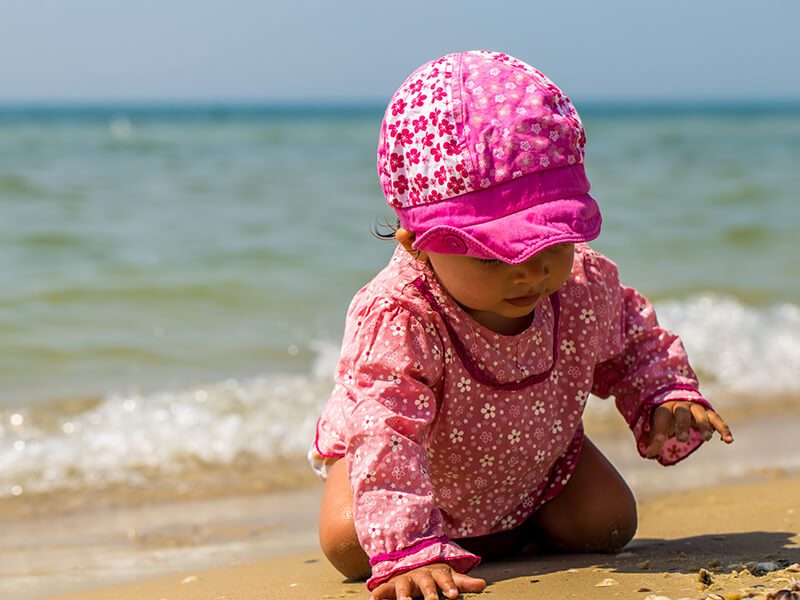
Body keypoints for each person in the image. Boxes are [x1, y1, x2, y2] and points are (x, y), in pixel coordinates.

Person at [308, 50, 734, 600]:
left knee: (609, 524)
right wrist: (406, 547)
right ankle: (434, 534)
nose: (529, 271)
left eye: (549, 242)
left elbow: (632, 338)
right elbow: (385, 428)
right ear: (416, 242)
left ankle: (511, 526)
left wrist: (661, 393)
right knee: (350, 543)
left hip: (537, 462)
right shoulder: (402, 314)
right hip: (417, 472)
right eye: (493, 255)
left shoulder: (579, 287)